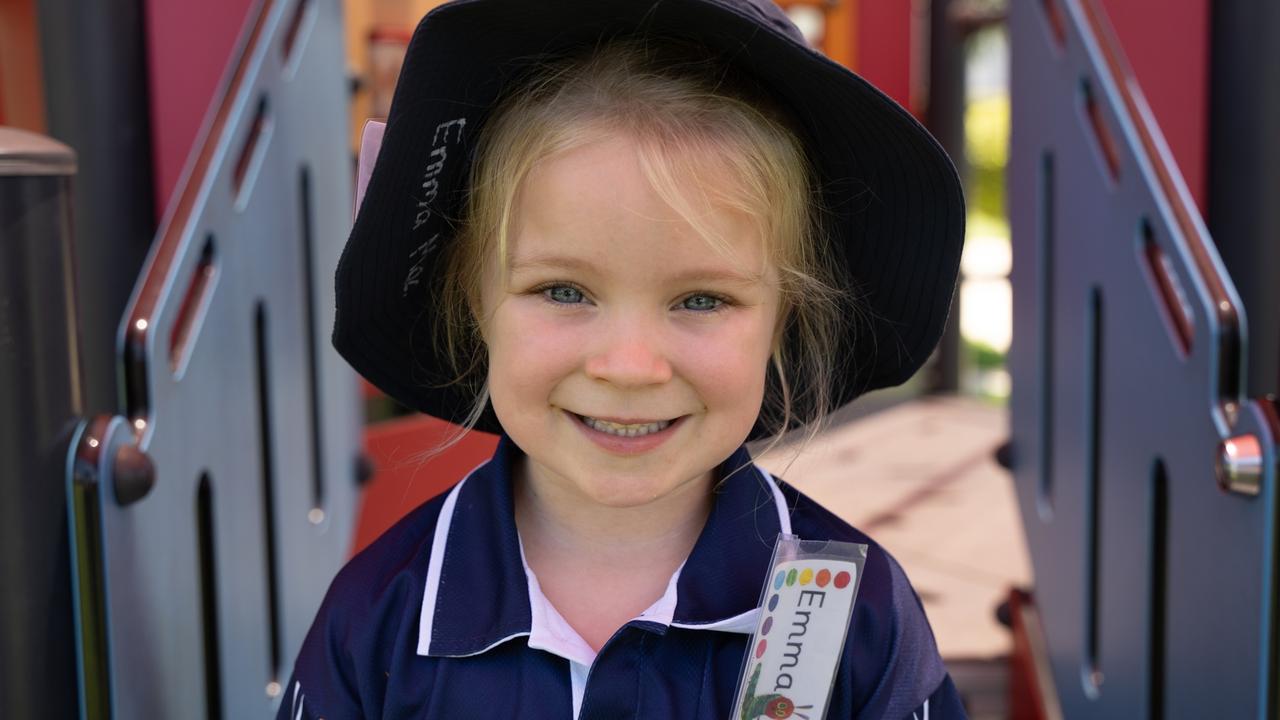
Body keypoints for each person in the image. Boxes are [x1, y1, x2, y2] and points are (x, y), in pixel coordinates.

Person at [283, 0, 966, 717]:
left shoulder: (859, 618)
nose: (631, 366)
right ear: (472, 303)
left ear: (782, 320)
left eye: (701, 300)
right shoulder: (379, 619)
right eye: (564, 290)